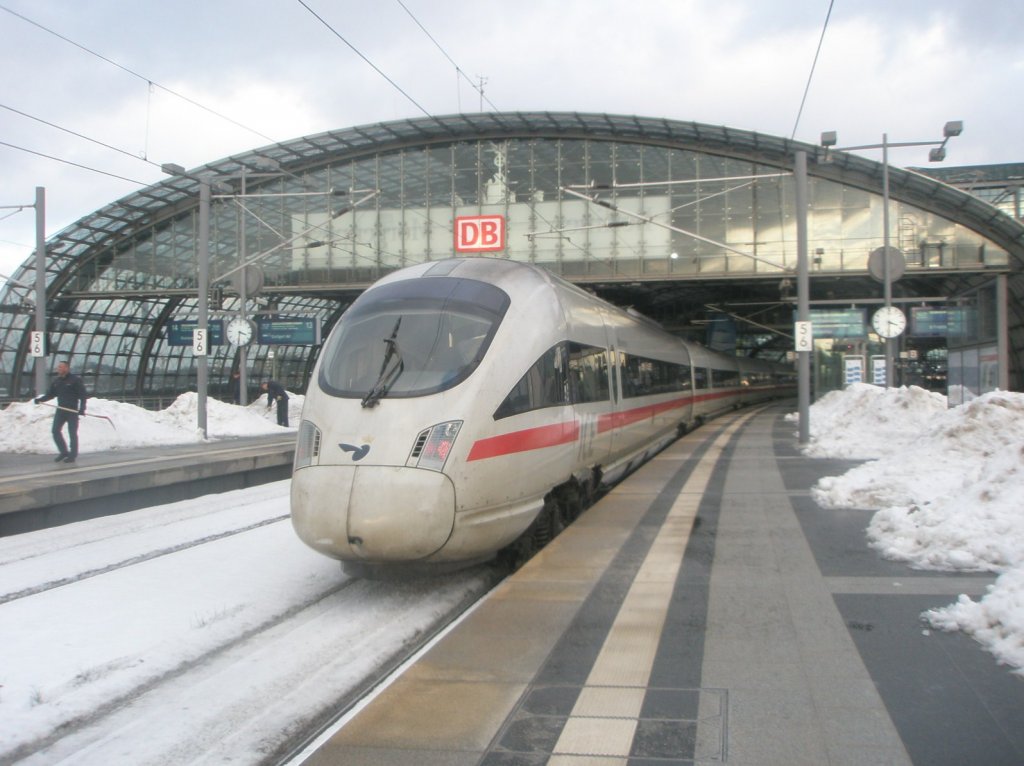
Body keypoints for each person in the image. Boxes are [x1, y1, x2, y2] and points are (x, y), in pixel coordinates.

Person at [34, 360, 89, 463]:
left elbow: (83, 395)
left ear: (66, 368)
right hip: (61, 410)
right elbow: (50, 394)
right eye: (58, 367)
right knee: (55, 431)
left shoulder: (75, 380)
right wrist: (40, 400)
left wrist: (82, 409)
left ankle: (72, 455)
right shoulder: (57, 382)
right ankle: (64, 452)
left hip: (72, 411)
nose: (58, 369)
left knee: (72, 433)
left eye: (60, 367)